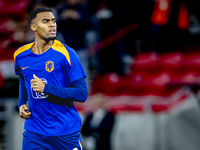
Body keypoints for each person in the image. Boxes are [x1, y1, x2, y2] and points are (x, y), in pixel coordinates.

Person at [13, 7, 88, 150]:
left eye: (53, 21)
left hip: (65, 132)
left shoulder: (67, 54)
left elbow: (82, 93)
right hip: (35, 132)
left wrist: (46, 88)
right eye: (45, 21)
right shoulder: (20, 55)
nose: (52, 24)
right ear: (33, 27)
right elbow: (23, 79)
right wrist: (22, 103)